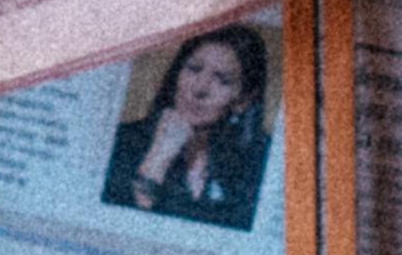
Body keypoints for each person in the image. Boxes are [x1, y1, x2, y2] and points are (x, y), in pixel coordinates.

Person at [104, 19, 275, 227]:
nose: (200, 88)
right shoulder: (121, 141)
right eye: (193, 69)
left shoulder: (262, 162)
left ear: (243, 100)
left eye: (223, 80)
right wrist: (158, 159)